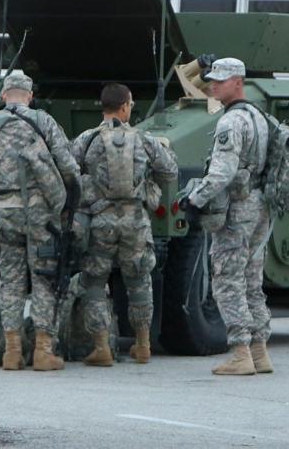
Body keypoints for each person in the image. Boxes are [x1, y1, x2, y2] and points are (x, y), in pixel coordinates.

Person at [0, 71, 80, 372]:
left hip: (4, 211)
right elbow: (68, 166)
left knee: (11, 282)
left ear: (4, 95)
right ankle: (43, 351)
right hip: (41, 214)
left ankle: (12, 352)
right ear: (30, 96)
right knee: (43, 278)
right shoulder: (43, 121)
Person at [70, 83, 177, 366]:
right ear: (125, 106)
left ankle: (102, 348)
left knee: (94, 282)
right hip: (136, 221)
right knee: (139, 279)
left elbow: (67, 172)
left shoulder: (87, 139)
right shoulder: (143, 139)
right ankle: (143, 346)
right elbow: (170, 171)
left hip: (100, 221)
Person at [178, 57, 273, 376]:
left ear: (238, 82)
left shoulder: (231, 122)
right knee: (251, 279)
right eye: (212, 79)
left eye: (221, 80)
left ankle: (240, 353)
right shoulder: (259, 116)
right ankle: (260, 351)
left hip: (236, 208)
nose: (213, 84)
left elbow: (221, 173)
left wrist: (194, 200)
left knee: (227, 279)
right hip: (260, 206)